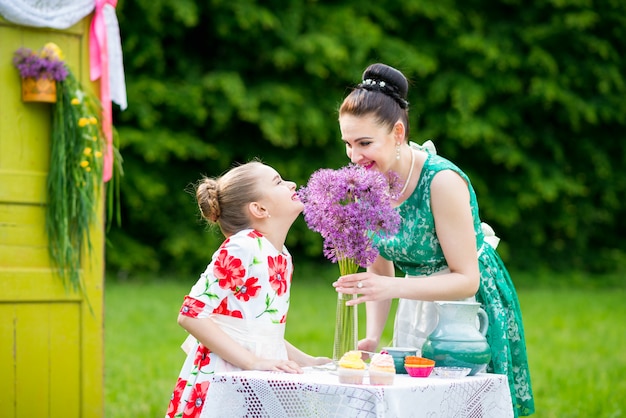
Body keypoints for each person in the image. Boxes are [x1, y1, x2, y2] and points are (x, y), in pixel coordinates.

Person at [332, 63, 535, 417]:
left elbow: (465, 278)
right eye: (348, 143)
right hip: (415, 300)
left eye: (364, 143)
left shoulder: (441, 181)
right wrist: (372, 336)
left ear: (397, 133)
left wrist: (390, 288)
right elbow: (380, 270)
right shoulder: (369, 182)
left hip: (467, 306)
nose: (354, 156)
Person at [166, 161, 331, 418]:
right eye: (278, 181)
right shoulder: (243, 246)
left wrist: (308, 361)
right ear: (259, 208)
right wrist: (252, 363)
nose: (291, 184)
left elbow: (261, 331)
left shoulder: (282, 256)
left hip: (259, 379)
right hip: (225, 380)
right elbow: (190, 313)